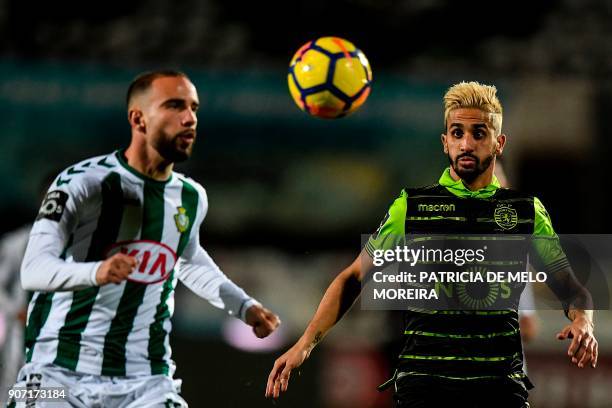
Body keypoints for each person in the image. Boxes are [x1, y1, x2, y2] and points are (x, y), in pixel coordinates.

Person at [266, 82, 597, 407]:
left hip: (498, 388)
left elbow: (568, 285)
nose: (466, 143)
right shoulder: (411, 207)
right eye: (457, 133)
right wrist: (305, 344)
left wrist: (584, 319)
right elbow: (354, 277)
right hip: (425, 386)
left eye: (479, 133)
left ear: (499, 143)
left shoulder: (526, 211)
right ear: (445, 142)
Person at [7, 70, 280, 407]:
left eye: (194, 108)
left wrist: (243, 305)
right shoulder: (81, 183)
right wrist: (96, 272)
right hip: (55, 374)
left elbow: (187, 260)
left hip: (145, 380)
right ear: (138, 118)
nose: (189, 118)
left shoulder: (191, 196)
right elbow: (33, 270)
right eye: (175, 106)